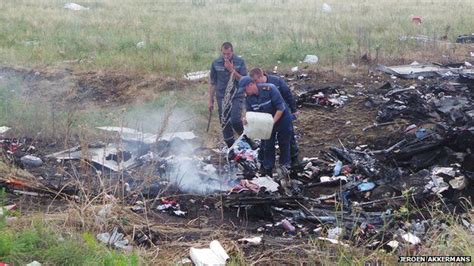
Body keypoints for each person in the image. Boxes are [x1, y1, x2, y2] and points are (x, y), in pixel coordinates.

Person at [239, 76, 294, 176]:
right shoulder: (248, 99)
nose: (244, 93)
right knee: (268, 144)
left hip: (282, 119)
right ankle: (268, 169)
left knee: (284, 142)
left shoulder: (270, 89)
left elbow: (280, 108)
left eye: (245, 89)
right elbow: (251, 114)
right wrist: (246, 120)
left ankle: (285, 166)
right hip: (266, 122)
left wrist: (271, 123)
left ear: (251, 85)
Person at [249, 68, 299, 167]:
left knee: (288, 139)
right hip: (268, 117)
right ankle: (264, 163)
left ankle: (293, 160)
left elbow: (287, 94)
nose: (255, 83)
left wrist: (294, 110)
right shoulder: (258, 89)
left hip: (283, 113)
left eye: (256, 81)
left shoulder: (276, 81)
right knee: (266, 141)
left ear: (261, 76)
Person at [209, 42, 248, 148]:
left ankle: (246, 138)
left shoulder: (240, 62)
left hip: (237, 94)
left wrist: (231, 69)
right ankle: (231, 146)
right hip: (221, 96)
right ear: (221, 52)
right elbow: (213, 83)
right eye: (224, 54)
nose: (226, 56)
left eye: (228, 54)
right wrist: (210, 100)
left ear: (232, 52)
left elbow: (244, 80)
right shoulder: (216, 63)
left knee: (235, 120)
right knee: (224, 121)